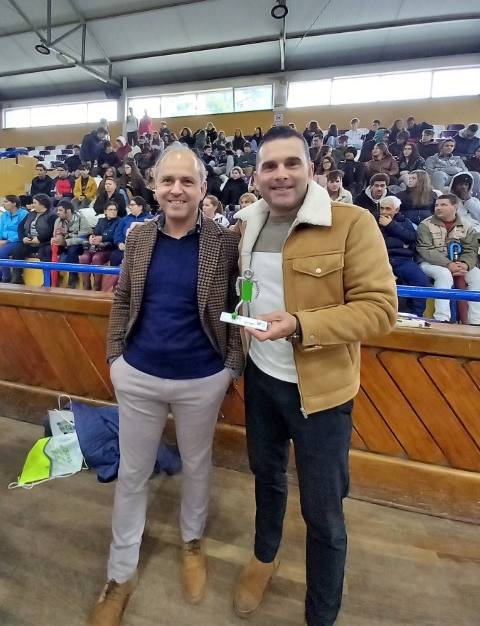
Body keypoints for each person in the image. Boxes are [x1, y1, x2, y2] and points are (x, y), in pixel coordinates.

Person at [231, 125, 397, 626]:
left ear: (311, 169)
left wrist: (301, 324)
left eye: (291, 164)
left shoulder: (352, 224)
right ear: (256, 176)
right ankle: (265, 558)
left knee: (323, 508)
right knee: (266, 477)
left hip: (321, 393)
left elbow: (380, 310)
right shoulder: (248, 223)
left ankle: (321, 610)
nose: (280, 174)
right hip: (261, 380)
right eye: (269, 166)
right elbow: (245, 291)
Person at [89, 145, 244, 625]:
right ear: (154, 188)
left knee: (197, 466)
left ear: (203, 188)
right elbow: (123, 299)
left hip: (203, 378)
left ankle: (192, 542)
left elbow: (238, 306)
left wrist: (231, 367)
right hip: (137, 375)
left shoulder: (224, 243)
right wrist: (115, 358)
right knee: (133, 475)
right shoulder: (138, 236)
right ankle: (120, 575)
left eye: (187, 181)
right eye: (168, 181)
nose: (177, 189)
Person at [417, 194, 480, 324]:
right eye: (436, 205)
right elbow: (425, 250)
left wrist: (465, 264)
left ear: (455, 207)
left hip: (459, 263)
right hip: (429, 263)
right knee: (444, 274)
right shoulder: (425, 225)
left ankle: (476, 320)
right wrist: (448, 264)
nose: (438, 208)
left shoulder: (466, 226)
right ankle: (442, 318)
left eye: (443, 205)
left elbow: (471, 249)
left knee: (477, 275)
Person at [377, 195, 430, 317]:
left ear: (397, 210)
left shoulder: (405, 222)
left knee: (421, 280)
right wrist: (401, 243)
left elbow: (412, 238)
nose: (384, 212)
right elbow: (377, 242)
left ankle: (416, 315)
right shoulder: (374, 222)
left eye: (388, 209)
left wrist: (391, 225)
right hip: (381, 259)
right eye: (382, 208)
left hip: (403, 260)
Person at [11, 194, 56, 284]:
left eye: (35, 203)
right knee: (17, 251)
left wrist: (40, 239)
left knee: (44, 253)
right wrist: (23, 238)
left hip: (44, 243)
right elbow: (20, 227)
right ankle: (17, 277)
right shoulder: (30, 214)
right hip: (29, 242)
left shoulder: (52, 216)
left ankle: (48, 280)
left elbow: (52, 231)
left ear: (42, 204)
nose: (32, 205)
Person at [79, 202, 121, 291]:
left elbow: (116, 237)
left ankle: (97, 286)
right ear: (105, 211)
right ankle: (86, 286)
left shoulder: (120, 221)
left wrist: (102, 238)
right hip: (96, 247)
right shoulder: (101, 221)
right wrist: (92, 237)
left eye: (115, 210)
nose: (113, 212)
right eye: (110, 209)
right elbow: (95, 233)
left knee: (96, 258)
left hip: (109, 248)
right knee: (84, 257)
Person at [52, 200, 92, 289]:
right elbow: (56, 234)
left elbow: (83, 238)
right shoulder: (58, 220)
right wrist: (57, 239)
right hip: (65, 243)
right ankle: (54, 276)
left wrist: (66, 240)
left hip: (79, 244)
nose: (57, 212)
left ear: (69, 211)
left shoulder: (82, 220)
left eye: (60, 210)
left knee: (72, 249)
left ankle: (73, 277)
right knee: (49, 248)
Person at [0, 195, 28, 283]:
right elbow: (1, 228)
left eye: (6, 202)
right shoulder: (4, 214)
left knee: (1, 252)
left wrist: (7, 241)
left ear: (14, 203)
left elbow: (22, 231)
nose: (3, 204)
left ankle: (6, 277)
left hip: (17, 240)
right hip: (4, 240)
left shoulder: (24, 214)